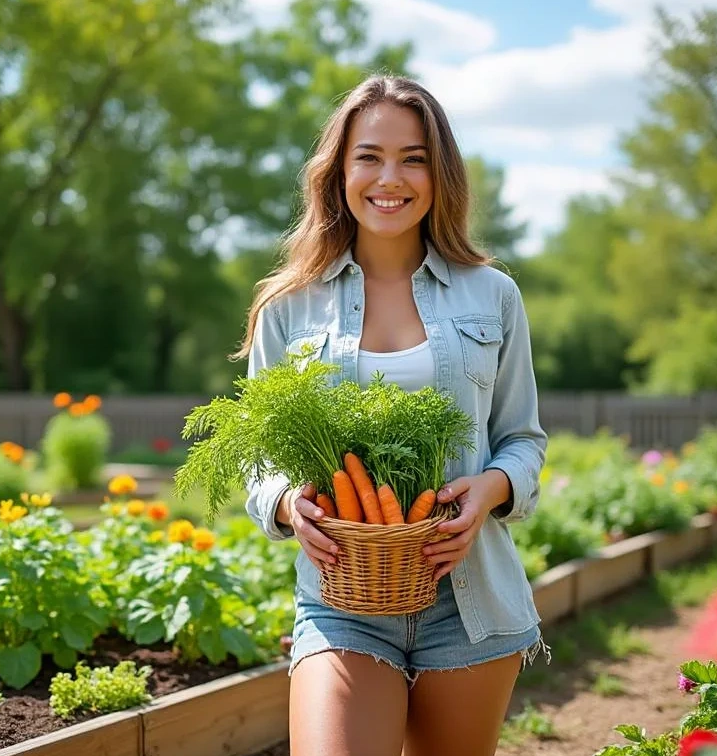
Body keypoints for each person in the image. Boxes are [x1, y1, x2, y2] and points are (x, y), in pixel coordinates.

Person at [236, 74, 550, 756]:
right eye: (369, 156)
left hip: (468, 600)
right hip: (341, 598)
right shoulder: (288, 307)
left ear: (439, 175)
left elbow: (521, 438)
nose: (390, 178)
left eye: (413, 158)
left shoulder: (492, 295)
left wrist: (490, 490)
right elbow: (258, 456)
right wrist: (291, 504)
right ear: (338, 171)